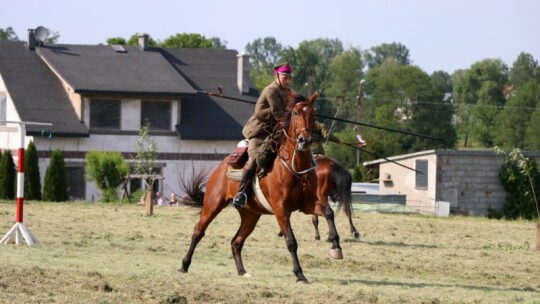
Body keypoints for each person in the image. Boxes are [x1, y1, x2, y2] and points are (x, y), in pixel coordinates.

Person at [232, 62, 295, 209]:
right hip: (259, 131)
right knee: (255, 159)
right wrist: (294, 115)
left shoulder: (286, 91)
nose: (287, 80)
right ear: (277, 76)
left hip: (274, 130)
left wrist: (305, 107)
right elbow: (279, 114)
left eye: (289, 78)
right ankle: (241, 194)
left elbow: (297, 101)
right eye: (285, 77)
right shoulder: (271, 90)